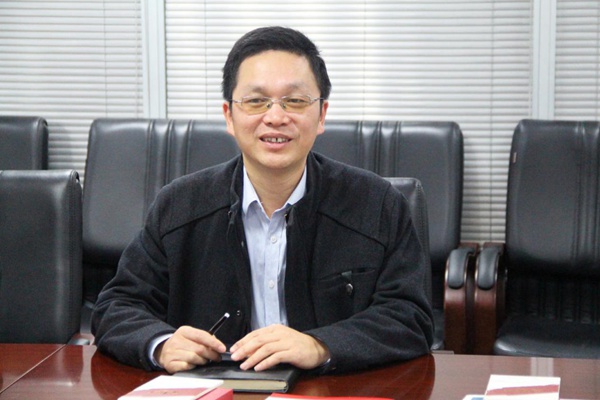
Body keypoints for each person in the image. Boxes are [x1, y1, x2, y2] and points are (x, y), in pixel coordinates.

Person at [91, 26, 433, 375]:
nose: (276, 117)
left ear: (321, 115)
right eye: (256, 101)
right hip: (215, 390)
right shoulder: (178, 206)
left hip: (330, 389)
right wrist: (161, 344)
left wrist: (320, 345)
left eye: (295, 101)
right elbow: (117, 307)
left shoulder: (377, 205)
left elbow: (410, 317)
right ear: (229, 116)